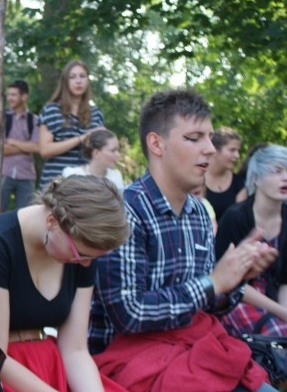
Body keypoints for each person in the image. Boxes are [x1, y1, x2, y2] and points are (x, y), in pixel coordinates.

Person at [89, 90, 278, 392]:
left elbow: (206, 306)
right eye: (194, 138)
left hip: (190, 352)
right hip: (129, 366)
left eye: (210, 138)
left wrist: (235, 277)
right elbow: (129, 314)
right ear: (156, 144)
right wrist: (212, 282)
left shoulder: (199, 213)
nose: (210, 149)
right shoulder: (124, 211)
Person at [0, 175, 128, 392]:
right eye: (80, 255)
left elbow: (75, 350)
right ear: (52, 222)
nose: (86, 264)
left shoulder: (81, 253)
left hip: (44, 363)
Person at [216, 144, 287, 337]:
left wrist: (284, 311)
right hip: (237, 300)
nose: (285, 177)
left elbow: (285, 281)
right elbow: (230, 283)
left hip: (275, 299)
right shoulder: (235, 218)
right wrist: (282, 314)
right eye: (277, 171)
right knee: (279, 333)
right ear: (255, 178)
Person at [38, 60, 105, 189]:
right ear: (65, 82)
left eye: (82, 76)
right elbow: (45, 150)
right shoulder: (51, 110)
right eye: (72, 77)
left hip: (86, 184)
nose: (78, 81)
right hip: (55, 184)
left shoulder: (96, 113)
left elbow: (100, 152)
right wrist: (82, 138)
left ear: (88, 80)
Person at [0, 80, 39, 212]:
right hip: (4, 172)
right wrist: (26, 147)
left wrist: (12, 141)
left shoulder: (34, 120)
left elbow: (37, 148)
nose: (9, 98)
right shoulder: (2, 118)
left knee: (24, 215)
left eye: (13, 95)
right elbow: (0, 149)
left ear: (24, 96)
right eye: (8, 95)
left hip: (26, 174)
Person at [205, 127, 246, 220]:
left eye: (238, 151)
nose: (237, 155)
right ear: (215, 150)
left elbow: (240, 218)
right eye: (232, 150)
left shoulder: (238, 182)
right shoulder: (196, 178)